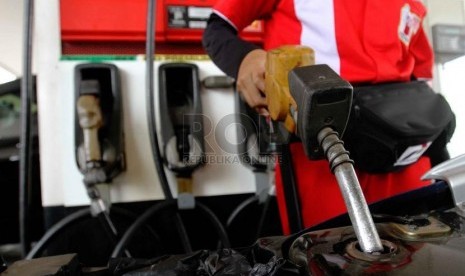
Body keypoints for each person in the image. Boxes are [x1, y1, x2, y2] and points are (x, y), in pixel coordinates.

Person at [203, 0, 437, 235]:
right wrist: (245, 60)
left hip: (403, 149)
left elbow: (421, 73)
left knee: (418, 246)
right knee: (327, 252)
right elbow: (216, 29)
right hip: (319, 148)